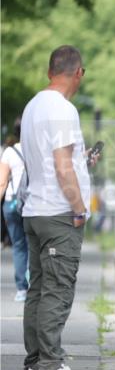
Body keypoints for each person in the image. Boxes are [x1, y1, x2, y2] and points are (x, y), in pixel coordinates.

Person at [21, 46, 100, 370]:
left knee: (38, 290)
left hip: (35, 211)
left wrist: (81, 161)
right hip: (58, 213)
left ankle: (35, 364)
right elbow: (61, 165)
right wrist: (79, 207)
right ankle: (51, 368)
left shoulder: (33, 106)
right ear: (78, 72)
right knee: (57, 290)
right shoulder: (63, 109)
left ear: (49, 70)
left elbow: (57, 157)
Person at [0, 118, 29, 300]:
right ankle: (34, 284)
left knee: (18, 246)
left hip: (11, 203)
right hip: (32, 204)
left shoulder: (9, 153)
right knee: (34, 244)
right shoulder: (38, 150)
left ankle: (21, 289)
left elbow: (2, 182)